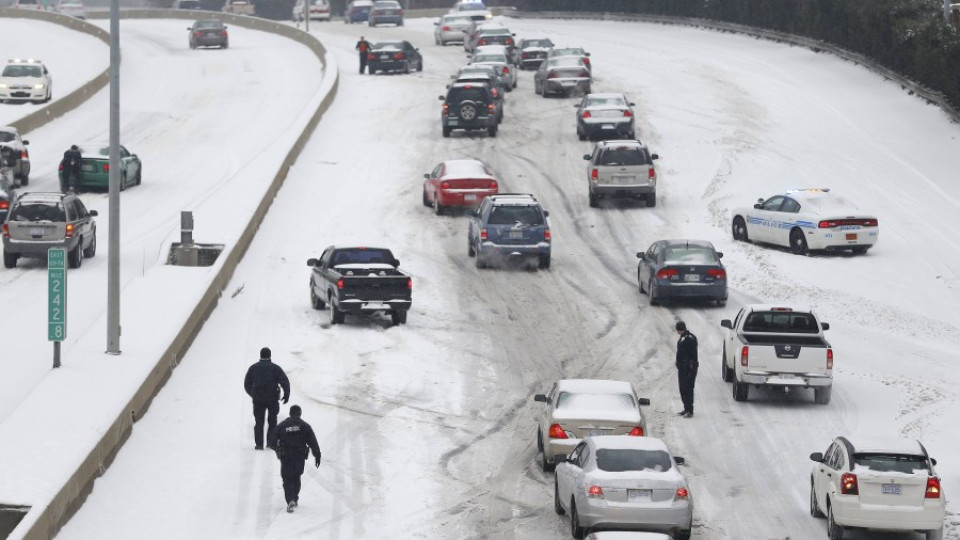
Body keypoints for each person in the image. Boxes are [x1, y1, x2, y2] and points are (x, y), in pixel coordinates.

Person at [271, 405, 321, 513]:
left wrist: (277, 449)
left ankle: (290, 499)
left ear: (290, 413)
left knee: (287, 478)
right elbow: (313, 442)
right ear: (299, 414)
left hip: (286, 456)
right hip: (299, 455)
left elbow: (272, 441)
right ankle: (294, 498)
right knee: (296, 476)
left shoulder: (282, 426)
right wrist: (317, 455)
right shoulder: (305, 426)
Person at [243, 347, 290, 450]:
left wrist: (253, 394)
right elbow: (285, 381)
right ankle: (270, 443)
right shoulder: (275, 368)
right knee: (272, 421)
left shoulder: (253, 368)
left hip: (258, 400)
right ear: (270, 355)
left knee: (259, 422)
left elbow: (247, 384)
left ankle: (259, 444)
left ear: (260, 355)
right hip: (272, 399)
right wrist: (286, 394)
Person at [675, 321, 699, 418]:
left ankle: (690, 410)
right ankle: (686, 408)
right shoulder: (683, 338)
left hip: (688, 368)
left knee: (688, 389)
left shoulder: (689, 339)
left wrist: (690, 368)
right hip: (682, 368)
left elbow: (691, 355)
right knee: (682, 389)